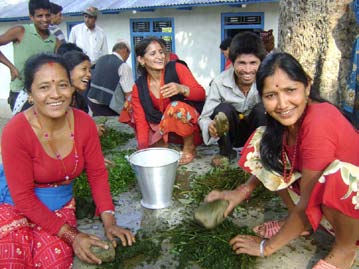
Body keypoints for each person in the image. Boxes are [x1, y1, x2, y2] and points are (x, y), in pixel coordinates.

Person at [206, 52, 359, 269]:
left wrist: (266, 247)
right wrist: (242, 191)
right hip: (329, 208)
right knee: (264, 140)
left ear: (307, 85)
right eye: (270, 95)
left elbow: (308, 202)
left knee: (339, 176)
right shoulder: (287, 123)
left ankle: (345, 248)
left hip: (353, 210)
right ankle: (301, 225)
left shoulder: (319, 121)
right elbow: (269, 158)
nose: (282, 104)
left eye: (290, 90)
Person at [0, 53, 135, 267]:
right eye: (44, 87)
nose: (55, 95)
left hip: (59, 206)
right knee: (11, 259)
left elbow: (97, 174)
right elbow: (23, 197)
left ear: (71, 89)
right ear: (30, 95)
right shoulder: (15, 132)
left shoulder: (85, 124)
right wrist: (73, 236)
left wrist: (109, 221)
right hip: (14, 205)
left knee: (55, 261)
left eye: (62, 85)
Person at [121, 36, 205, 165]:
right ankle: (162, 141)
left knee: (175, 107)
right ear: (141, 60)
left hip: (189, 127)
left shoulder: (177, 68)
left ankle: (189, 147)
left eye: (161, 52)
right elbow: (141, 120)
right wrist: (143, 150)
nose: (160, 57)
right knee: (130, 101)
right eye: (153, 53)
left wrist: (182, 89)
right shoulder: (139, 86)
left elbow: (201, 94)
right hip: (162, 127)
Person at [198, 31, 267, 164]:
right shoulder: (219, 82)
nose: (247, 70)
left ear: (261, 62)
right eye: (241, 63)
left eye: (253, 63)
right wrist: (210, 126)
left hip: (258, 132)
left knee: (262, 109)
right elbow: (204, 117)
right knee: (223, 109)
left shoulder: (267, 80)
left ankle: (259, 154)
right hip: (231, 135)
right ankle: (226, 153)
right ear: (232, 62)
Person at [0, 0, 60, 111]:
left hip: (42, 94)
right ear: (31, 17)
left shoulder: (54, 41)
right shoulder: (20, 31)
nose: (45, 19)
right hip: (19, 91)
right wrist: (11, 67)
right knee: (22, 125)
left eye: (47, 15)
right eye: (40, 16)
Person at [88, 40, 134, 116]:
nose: (127, 59)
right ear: (125, 51)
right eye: (128, 55)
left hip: (92, 101)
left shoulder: (101, 59)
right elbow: (129, 93)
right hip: (108, 106)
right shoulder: (123, 66)